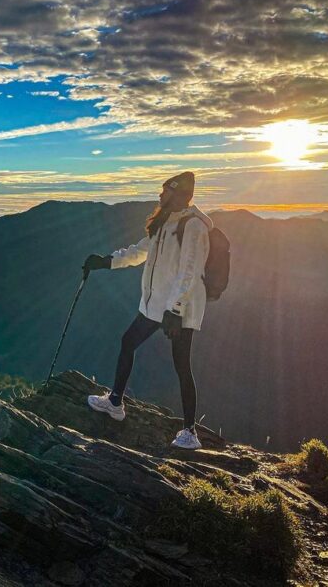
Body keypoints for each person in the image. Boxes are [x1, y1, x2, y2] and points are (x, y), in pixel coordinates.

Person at [82, 171, 213, 450]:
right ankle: (115, 402)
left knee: (181, 364)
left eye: (164, 191)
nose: (160, 195)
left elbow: (190, 271)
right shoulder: (165, 222)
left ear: (178, 194)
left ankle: (190, 431)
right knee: (128, 342)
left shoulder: (194, 227)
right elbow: (139, 252)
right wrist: (106, 262)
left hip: (181, 309)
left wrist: (175, 310)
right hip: (156, 305)